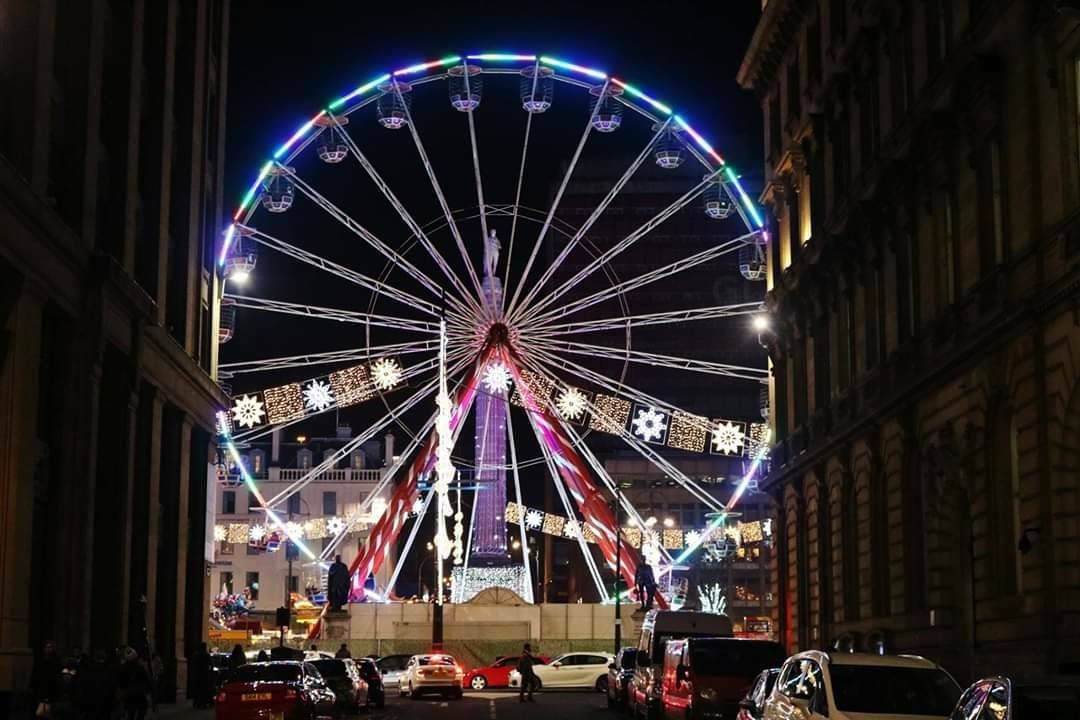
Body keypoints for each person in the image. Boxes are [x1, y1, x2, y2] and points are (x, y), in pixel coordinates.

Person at [30, 641, 62, 718]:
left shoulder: (56, 660)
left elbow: (57, 674)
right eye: (47, 647)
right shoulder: (40, 660)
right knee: (40, 710)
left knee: (49, 710)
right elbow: (35, 673)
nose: (48, 649)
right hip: (40, 687)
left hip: (51, 688)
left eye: (50, 647)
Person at [119, 648, 151, 720]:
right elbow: (147, 680)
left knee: (130, 713)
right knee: (141, 712)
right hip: (139, 693)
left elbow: (121, 682)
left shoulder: (123, 668)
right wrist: (148, 691)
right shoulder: (140, 667)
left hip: (129, 693)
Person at [189, 643, 212, 709]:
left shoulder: (195, 655)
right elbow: (211, 663)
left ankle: (196, 703)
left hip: (197, 674)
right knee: (204, 689)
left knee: (197, 689)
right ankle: (203, 703)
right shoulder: (206, 655)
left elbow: (192, 664)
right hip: (204, 674)